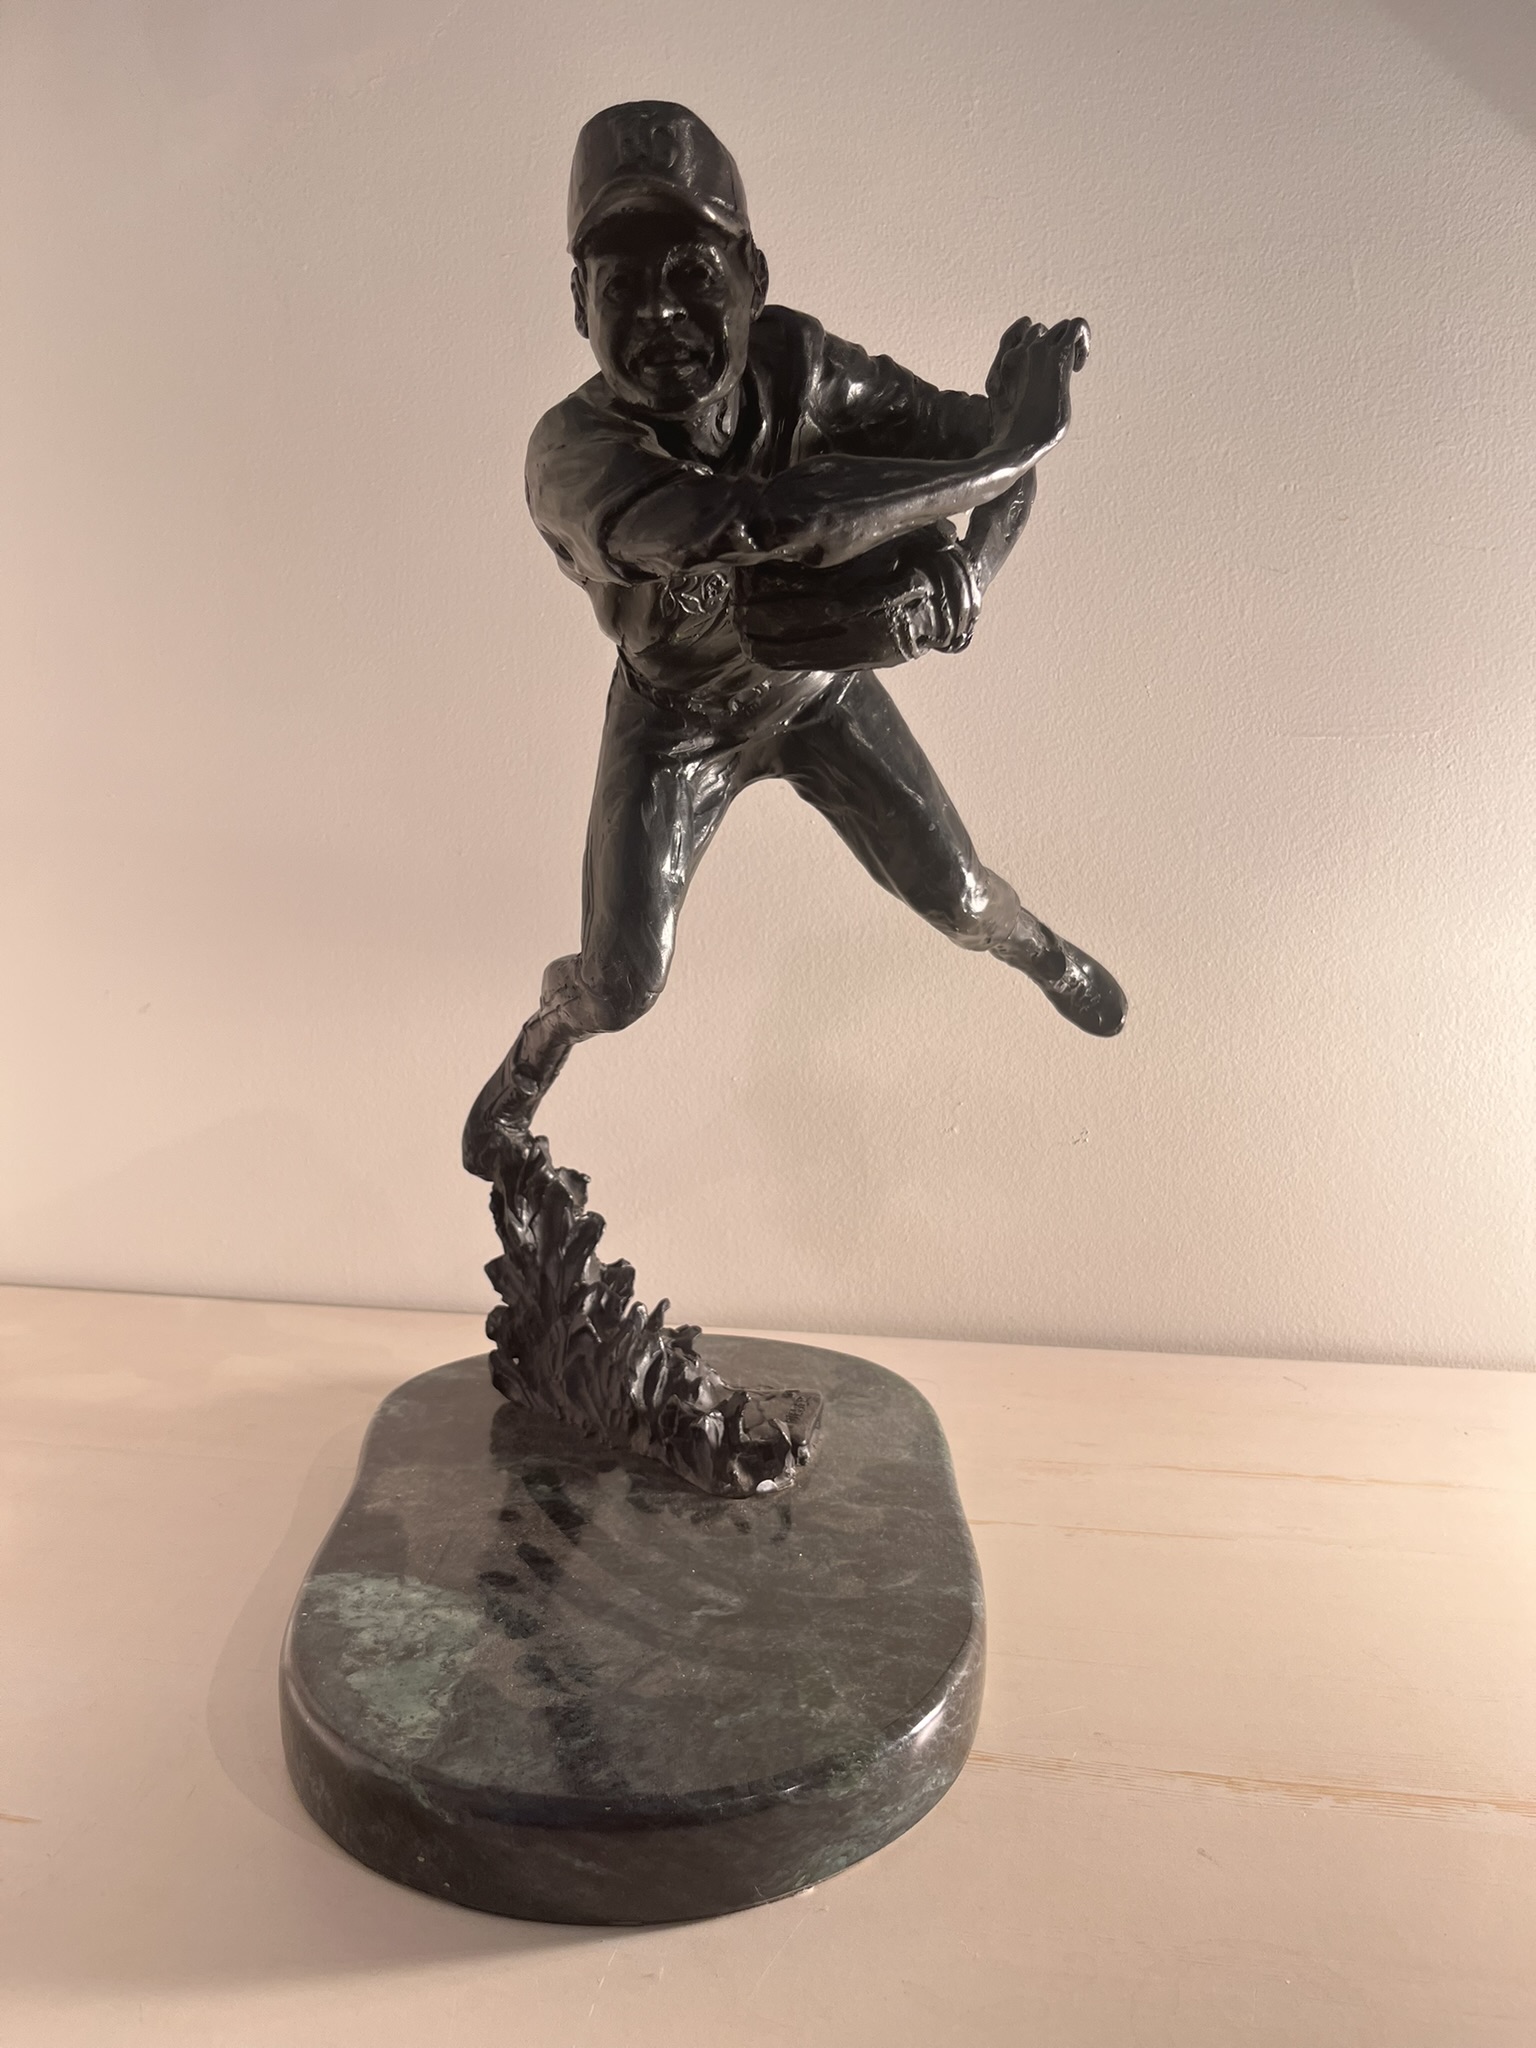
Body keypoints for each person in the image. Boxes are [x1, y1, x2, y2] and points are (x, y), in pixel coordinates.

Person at [464, 100, 1125, 1177]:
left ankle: (1045, 954)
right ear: (578, 304)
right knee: (620, 985)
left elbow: (985, 447)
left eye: (692, 273)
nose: (660, 311)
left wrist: (972, 571)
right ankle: (535, 1056)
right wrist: (1011, 452)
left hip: (819, 694)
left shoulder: (807, 369)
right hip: (672, 725)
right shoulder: (570, 456)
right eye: (621, 286)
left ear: (754, 277)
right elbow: (756, 522)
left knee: (959, 896)